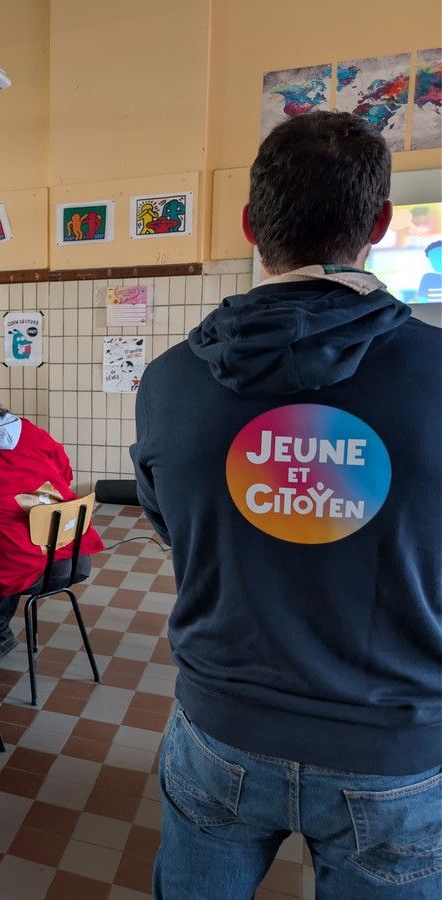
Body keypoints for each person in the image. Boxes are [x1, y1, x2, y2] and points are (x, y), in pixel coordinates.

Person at [131, 110, 441, 898]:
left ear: (248, 225)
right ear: (378, 223)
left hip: (220, 728)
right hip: (393, 747)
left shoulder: (168, 382)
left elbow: (172, 527)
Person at [0, 377, 104, 671]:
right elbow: (65, 472)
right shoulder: (28, 430)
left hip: (27, 566)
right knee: (3, 539)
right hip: (73, 554)